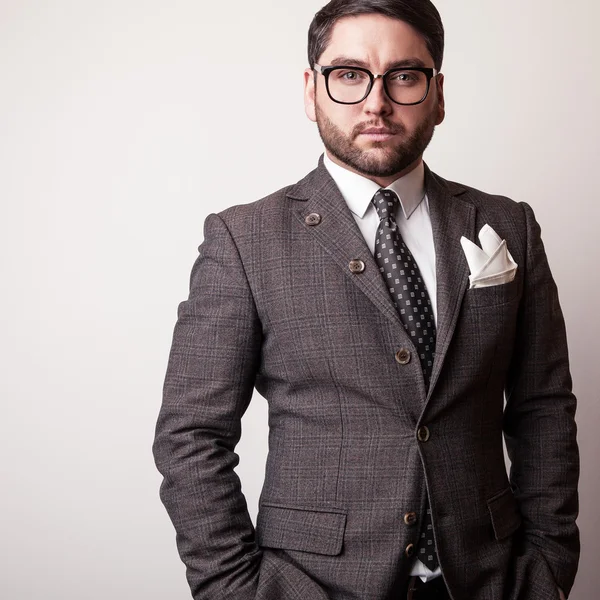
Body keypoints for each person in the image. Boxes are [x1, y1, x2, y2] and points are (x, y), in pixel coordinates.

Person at [152, 1, 580, 598]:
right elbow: (191, 435)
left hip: (492, 580)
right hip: (311, 583)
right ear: (312, 91)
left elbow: (543, 407)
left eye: (404, 76)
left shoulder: (509, 224)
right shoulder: (243, 240)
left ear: (437, 94)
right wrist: (234, 588)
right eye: (349, 75)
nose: (376, 102)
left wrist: (547, 565)